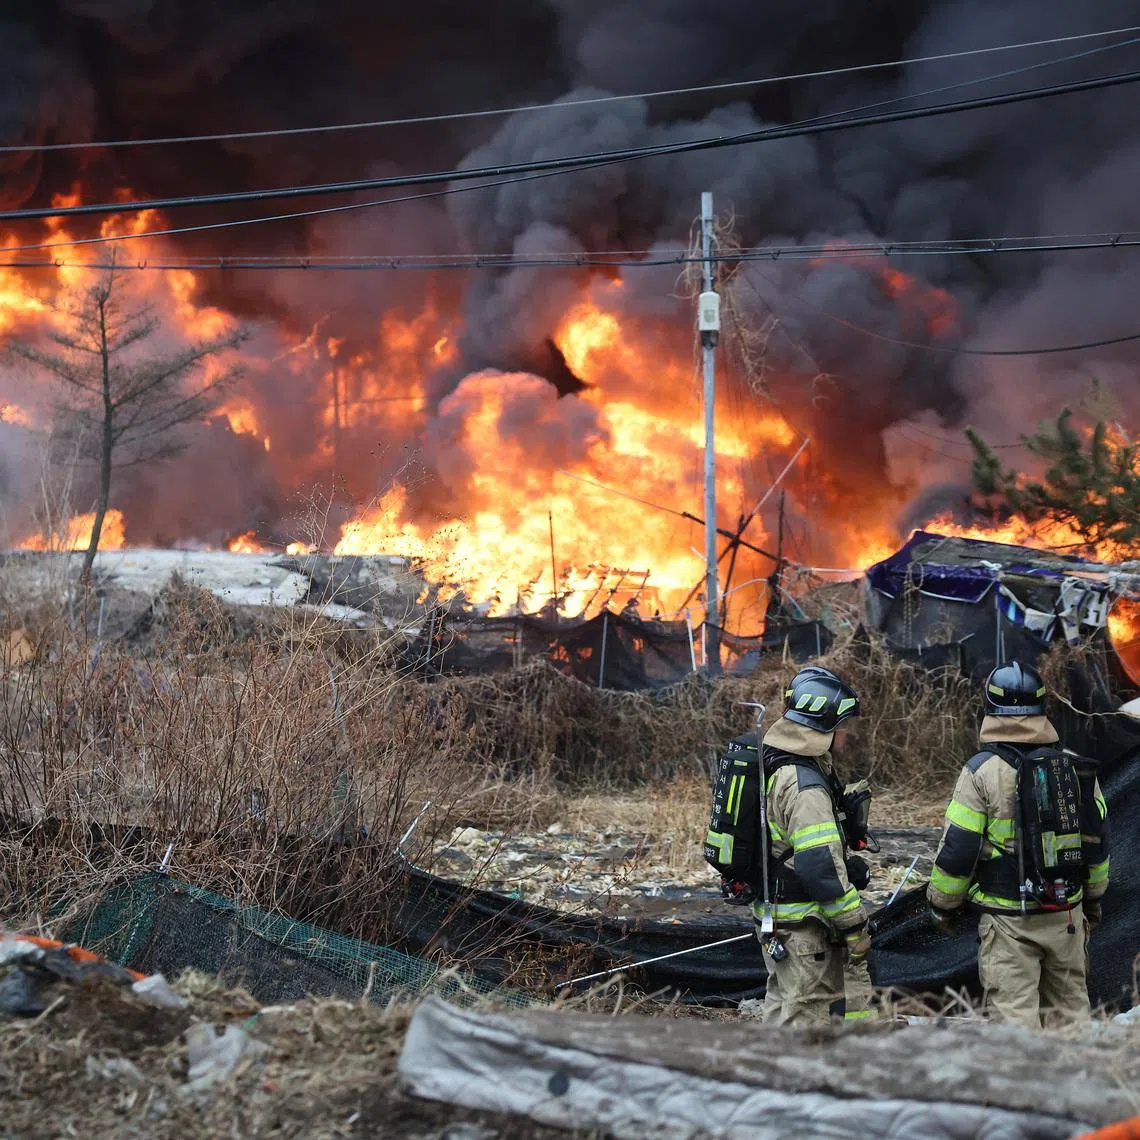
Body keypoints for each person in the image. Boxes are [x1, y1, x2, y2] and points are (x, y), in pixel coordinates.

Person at [927, 660, 1110, 1029]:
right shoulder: (1073, 767)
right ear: (1042, 708)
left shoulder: (981, 771)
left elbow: (958, 850)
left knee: (1015, 1025)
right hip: (1067, 915)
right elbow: (1096, 841)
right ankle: (1079, 1085)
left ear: (991, 710)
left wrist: (942, 905)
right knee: (1071, 1019)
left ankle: (1025, 1088)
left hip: (1009, 920)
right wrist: (1092, 898)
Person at [751, 669, 871, 1025]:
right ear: (821, 725)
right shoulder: (805, 786)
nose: (849, 734)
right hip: (804, 928)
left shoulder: (777, 763)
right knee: (806, 1020)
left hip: (778, 917)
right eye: (844, 725)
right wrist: (855, 926)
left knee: (781, 1008)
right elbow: (818, 865)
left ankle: (769, 1080)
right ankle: (798, 1082)